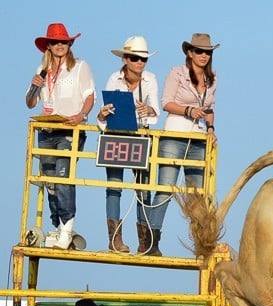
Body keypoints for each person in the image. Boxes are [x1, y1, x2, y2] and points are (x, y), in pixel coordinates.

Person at [146, 33, 219, 256]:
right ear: (189, 52)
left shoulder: (212, 78)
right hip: (175, 134)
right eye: (199, 51)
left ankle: (201, 243)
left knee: (196, 194)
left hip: (197, 138)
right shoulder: (177, 73)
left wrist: (210, 129)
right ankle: (152, 240)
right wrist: (188, 110)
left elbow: (210, 109)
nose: (203, 56)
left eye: (207, 52)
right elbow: (166, 102)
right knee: (165, 189)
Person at [25, 23, 96, 250]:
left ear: (69, 44)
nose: (59, 45)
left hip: (70, 129)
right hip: (47, 129)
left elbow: (89, 96)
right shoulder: (42, 70)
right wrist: (33, 86)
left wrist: (82, 115)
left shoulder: (79, 66)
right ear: (48, 45)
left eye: (63, 41)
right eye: (55, 42)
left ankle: (67, 227)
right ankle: (59, 226)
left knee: (63, 177)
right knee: (50, 181)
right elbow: (30, 103)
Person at [94, 36, 160, 254]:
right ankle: (115, 240)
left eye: (143, 59)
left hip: (141, 137)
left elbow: (156, 112)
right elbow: (104, 113)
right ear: (125, 59)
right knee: (114, 187)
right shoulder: (114, 79)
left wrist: (149, 111)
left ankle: (144, 241)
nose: (140, 62)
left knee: (143, 189)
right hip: (116, 136)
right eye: (135, 58)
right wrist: (102, 114)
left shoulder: (151, 80)